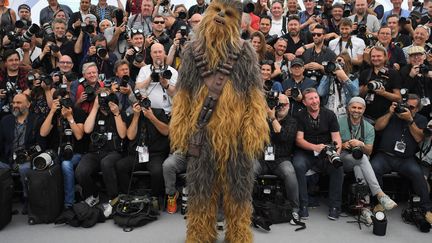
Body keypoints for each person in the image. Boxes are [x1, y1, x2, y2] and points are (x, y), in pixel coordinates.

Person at [169, 0, 269, 242]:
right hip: (202, 138)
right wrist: (181, 131)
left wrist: (252, 131)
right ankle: (200, 234)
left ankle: (238, 233)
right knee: (200, 192)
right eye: (217, 10)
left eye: (229, 13)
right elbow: (183, 95)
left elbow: (255, 97)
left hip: (236, 140)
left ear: (238, 22)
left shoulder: (245, 53)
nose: (222, 15)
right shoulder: (192, 52)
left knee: (239, 193)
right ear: (206, 14)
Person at [372, 94, 432, 224]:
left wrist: (410, 120)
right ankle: (380, 202)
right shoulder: (393, 114)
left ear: (417, 109)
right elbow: (377, 127)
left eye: (411, 107)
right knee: (373, 168)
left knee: (418, 174)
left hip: (406, 159)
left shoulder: (420, 119)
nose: (407, 109)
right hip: (385, 156)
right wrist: (390, 113)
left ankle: (426, 209)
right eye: (406, 106)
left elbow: (418, 138)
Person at [338, 97, 397, 224]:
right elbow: (332, 143)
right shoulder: (339, 122)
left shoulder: (369, 127)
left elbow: (369, 151)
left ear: (364, 110)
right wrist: (343, 145)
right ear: (348, 108)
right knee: (362, 159)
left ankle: (364, 207)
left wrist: (361, 144)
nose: (356, 110)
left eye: (360, 108)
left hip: (360, 161)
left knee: (361, 162)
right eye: (354, 107)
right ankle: (380, 194)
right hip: (343, 158)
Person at [292, 88, 344, 220]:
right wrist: (315, 147)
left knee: (338, 167)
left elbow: (336, 138)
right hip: (306, 152)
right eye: (311, 99)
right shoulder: (299, 115)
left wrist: (335, 154)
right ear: (304, 102)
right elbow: (299, 140)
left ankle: (335, 206)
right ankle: (303, 205)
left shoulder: (330, 114)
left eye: (316, 97)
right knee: (298, 165)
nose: (315, 101)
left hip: (326, 152)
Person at [75, 88, 126, 208]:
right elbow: (87, 130)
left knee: (106, 163)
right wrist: (95, 107)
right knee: (81, 171)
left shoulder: (119, 113)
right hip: (95, 152)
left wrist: (116, 113)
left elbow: (123, 134)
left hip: (113, 152)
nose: (104, 100)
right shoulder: (94, 113)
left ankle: (114, 198)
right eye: (101, 98)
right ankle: (93, 194)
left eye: (106, 97)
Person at [115, 99, 169, 206]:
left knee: (157, 171)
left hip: (155, 154)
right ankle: (128, 195)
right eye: (140, 102)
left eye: (145, 101)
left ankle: (155, 198)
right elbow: (130, 136)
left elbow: (166, 131)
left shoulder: (158, 113)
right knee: (120, 165)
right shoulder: (133, 115)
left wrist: (152, 117)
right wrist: (136, 116)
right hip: (137, 154)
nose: (143, 104)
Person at [39, 91, 87, 210]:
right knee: (40, 163)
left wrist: (70, 117)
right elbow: (43, 133)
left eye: (67, 100)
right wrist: (52, 111)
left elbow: (79, 136)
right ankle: (45, 203)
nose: (65, 104)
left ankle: (68, 203)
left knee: (66, 164)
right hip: (56, 152)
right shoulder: (55, 114)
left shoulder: (78, 112)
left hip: (75, 152)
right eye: (61, 101)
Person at [0, 93, 45, 214]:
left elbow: (41, 145)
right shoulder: (6, 120)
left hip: (27, 158)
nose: (15, 105)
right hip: (8, 158)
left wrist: (29, 155)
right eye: (13, 103)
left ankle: (27, 198)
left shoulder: (36, 120)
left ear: (28, 104)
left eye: (19, 103)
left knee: (24, 169)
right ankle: (4, 203)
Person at [254, 93, 299, 214]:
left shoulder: (292, 121)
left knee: (289, 172)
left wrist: (273, 118)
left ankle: (295, 208)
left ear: (289, 106)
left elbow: (284, 137)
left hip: (281, 159)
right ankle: (243, 207)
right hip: (261, 158)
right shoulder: (262, 118)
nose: (281, 107)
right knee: (248, 170)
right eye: (278, 104)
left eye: (284, 105)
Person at [135, 43, 177, 115]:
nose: (158, 55)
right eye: (155, 52)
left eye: (160, 52)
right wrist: (150, 78)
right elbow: (137, 88)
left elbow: (175, 94)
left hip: (167, 113)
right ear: (151, 54)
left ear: (164, 53)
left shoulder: (172, 71)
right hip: (148, 111)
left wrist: (166, 85)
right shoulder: (144, 70)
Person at [317, 53, 359, 117]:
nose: (337, 63)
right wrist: (328, 74)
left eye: (340, 61)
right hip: (329, 112)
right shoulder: (329, 77)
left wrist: (344, 78)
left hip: (345, 114)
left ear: (347, 63)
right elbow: (320, 93)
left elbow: (355, 93)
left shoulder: (353, 78)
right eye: (336, 61)